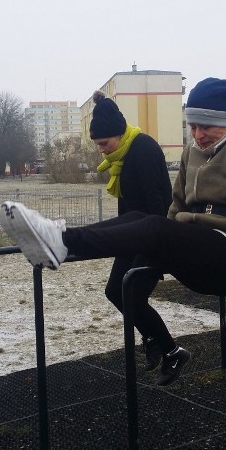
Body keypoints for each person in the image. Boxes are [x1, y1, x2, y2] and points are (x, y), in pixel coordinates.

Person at [0, 77, 226, 386]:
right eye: (193, 126)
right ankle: (62, 241)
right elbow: (176, 206)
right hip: (198, 248)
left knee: (151, 225)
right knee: (134, 248)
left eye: (206, 127)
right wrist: (156, 255)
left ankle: (62, 242)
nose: (198, 135)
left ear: (225, 120)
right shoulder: (192, 151)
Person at [89, 90, 173, 375]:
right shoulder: (120, 157)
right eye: (98, 144)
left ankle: (170, 351)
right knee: (115, 291)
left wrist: (157, 248)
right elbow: (126, 205)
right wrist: (119, 238)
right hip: (134, 234)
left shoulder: (144, 149)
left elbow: (158, 201)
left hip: (155, 236)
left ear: (118, 133)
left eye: (104, 143)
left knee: (135, 296)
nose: (101, 149)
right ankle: (152, 339)